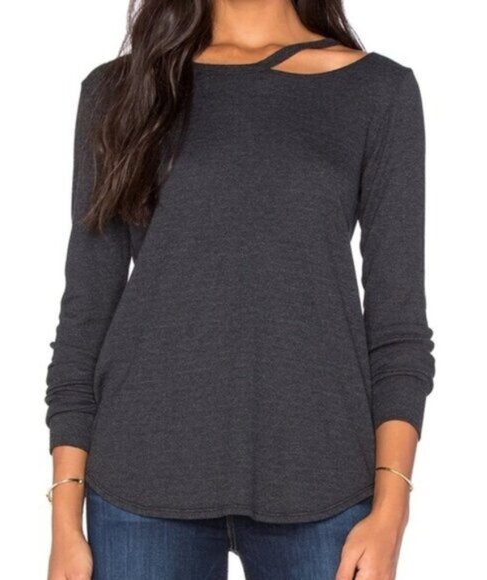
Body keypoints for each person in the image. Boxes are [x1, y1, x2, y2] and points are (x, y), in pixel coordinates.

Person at [44, 0, 436, 578]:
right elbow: (86, 317)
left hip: (322, 479)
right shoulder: (120, 91)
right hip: (139, 483)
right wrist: (64, 522)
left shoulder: (377, 92)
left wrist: (392, 509)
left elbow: (398, 327)